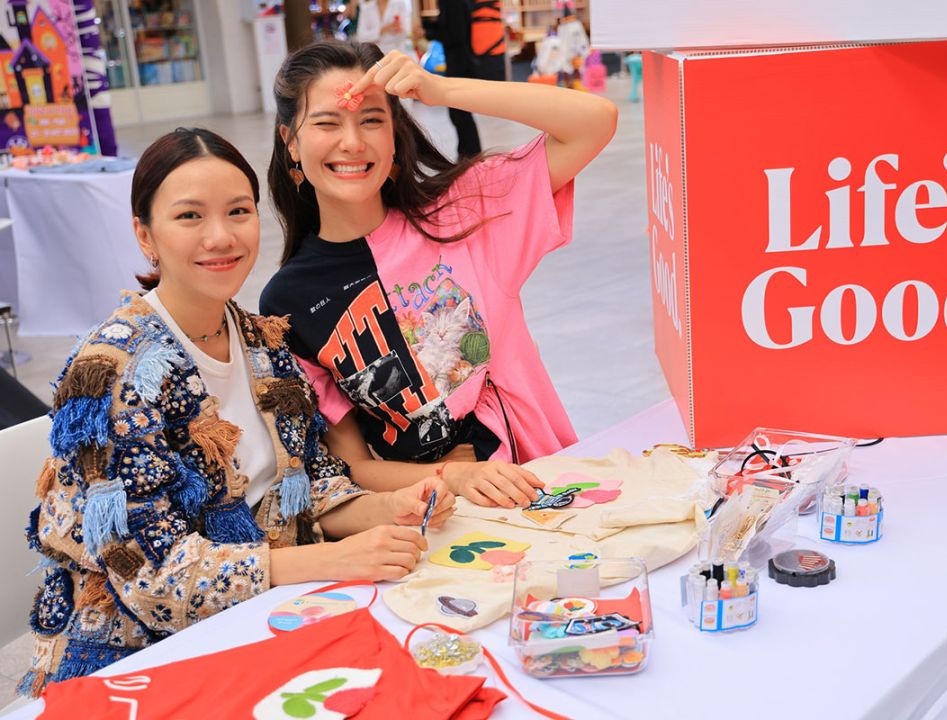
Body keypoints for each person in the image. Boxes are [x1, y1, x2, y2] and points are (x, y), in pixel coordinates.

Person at [17, 128, 454, 698]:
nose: (221, 237)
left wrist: (384, 509)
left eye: (238, 211)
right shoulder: (113, 371)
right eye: (190, 217)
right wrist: (330, 559)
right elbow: (154, 575)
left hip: (263, 617)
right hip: (141, 659)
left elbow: (303, 482)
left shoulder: (260, 338)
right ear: (144, 235)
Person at [259, 40, 617, 509]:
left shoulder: (464, 216)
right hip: (437, 520)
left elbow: (595, 121)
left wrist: (438, 87)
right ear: (291, 142)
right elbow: (353, 465)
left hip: (546, 487)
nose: (352, 142)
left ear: (394, 138)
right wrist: (454, 474)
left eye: (372, 120)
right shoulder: (287, 300)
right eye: (328, 123)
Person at [424, 0, 482, 158]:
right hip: (458, 62)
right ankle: (467, 152)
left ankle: (470, 154)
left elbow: (455, 35)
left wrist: (428, 33)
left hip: (460, 64)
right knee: (459, 113)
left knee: (460, 113)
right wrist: (427, 26)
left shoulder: (452, 3)